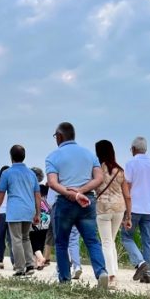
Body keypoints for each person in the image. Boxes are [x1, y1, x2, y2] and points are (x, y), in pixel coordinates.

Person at [44, 121, 109, 289]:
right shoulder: (89, 154)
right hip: (87, 201)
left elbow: (52, 183)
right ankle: (101, 272)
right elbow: (99, 178)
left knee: (61, 242)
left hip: (65, 203)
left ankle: (65, 280)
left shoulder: (53, 156)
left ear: (59, 136)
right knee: (92, 241)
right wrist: (81, 191)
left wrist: (70, 193)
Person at [0, 145, 43, 276]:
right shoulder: (31, 173)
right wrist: (38, 213)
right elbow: (37, 195)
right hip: (28, 210)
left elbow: (1, 194)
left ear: (11, 157)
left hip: (15, 210)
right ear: (24, 156)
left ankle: (20, 268)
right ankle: (30, 265)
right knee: (26, 238)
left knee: (16, 239)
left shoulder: (7, 173)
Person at [121, 136, 150, 283]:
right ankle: (148, 271)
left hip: (134, 207)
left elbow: (128, 187)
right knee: (148, 240)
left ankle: (141, 263)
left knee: (126, 237)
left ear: (133, 149)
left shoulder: (131, 163)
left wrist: (126, 210)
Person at [95, 139, 129, 288]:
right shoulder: (120, 171)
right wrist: (129, 215)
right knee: (112, 241)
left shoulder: (97, 170)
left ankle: (111, 275)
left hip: (102, 208)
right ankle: (114, 272)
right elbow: (127, 195)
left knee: (106, 242)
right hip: (119, 208)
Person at [0, 167, 14, 269]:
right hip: (11, 213)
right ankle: (14, 262)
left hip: (0, 214)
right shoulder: (13, 184)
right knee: (12, 239)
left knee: (0, 238)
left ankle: (0, 261)